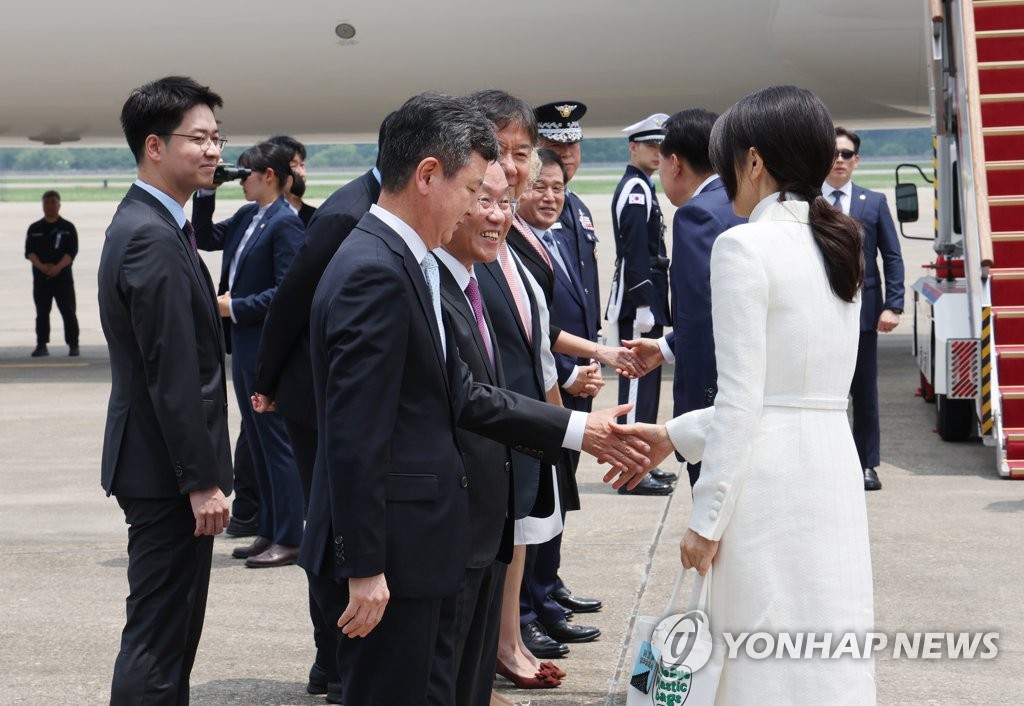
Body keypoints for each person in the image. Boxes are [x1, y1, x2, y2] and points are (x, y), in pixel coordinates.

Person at [300, 92, 647, 705]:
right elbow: (354, 437)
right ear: (428, 176)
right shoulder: (375, 270)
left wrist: (576, 429)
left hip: (430, 549)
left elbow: (456, 390)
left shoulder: (407, 262)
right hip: (397, 561)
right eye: (472, 192)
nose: (478, 209)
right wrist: (365, 568)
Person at [609, 85, 874, 704]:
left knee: (756, 649)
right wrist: (672, 435)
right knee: (822, 636)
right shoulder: (840, 240)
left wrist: (706, 520)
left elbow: (744, 399)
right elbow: (792, 393)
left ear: (753, 162)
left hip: (767, 482)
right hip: (829, 468)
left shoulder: (744, 245)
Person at [97, 75, 232, 706]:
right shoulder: (150, 236)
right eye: (198, 139)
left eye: (216, 137)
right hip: (165, 473)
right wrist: (200, 480)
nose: (213, 151)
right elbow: (172, 373)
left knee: (173, 630)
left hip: (158, 465)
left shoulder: (158, 223)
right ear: (155, 146)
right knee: (158, 634)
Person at [252, 116, 389, 705]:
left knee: (342, 529)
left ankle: (333, 661)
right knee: (331, 533)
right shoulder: (346, 210)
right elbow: (292, 298)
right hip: (317, 396)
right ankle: (331, 662)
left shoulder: (375, 199)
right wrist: (266, 379)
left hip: (339, 390)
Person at [429, 161, 521, 704]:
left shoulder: (473, 280)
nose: (496, 215)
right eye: (482, 199)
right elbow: (468, 399)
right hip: (449, 530)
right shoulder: (427, 285)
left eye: (505, 202)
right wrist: (578, 431)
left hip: (488, 526)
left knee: (471, 682)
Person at [192, 141, 306, 568]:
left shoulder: (286, 224)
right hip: (243, 346)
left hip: (265, 345)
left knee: (277, 443)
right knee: (258, 443)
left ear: (270, 176)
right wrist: (208, 190)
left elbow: (287, 293)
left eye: (246, 174)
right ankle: (271, 530)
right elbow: (203, 236)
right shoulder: (249, 216)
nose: (242, 181)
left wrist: (234, 306)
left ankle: (292, 537)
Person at [625, 108, 746, 487]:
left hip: (718, 410)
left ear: (675, 163)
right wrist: (664, 347)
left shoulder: (698, 215)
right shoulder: (741, 204)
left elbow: (702, 320)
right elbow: (735, 311)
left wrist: (696, 417)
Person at [825, 126, 905, 491]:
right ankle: (824, 465)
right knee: (823, 394)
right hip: (818, 313)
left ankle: (866, 464)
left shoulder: (872, 202)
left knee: (864, 392)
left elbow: (891, 257)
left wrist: (894, 305)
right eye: (833, 153)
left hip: (863, 314)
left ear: (856, 160)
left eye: (845, 154)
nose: (839, 160)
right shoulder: (809, 201)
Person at [606, 113, 674, 496]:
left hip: (644, 298)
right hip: (638, 303)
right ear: (634, 148)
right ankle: (631, 471)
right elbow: (634, 253)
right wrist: (645, 301)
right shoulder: (635, 190)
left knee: (646, 389)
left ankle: (641, 464)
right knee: (634, 391)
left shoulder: (643, 186)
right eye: (650, 146)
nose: (657, 153)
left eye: (661, 148)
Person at [25, 190, 79, 357]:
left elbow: (71, 252)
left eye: (52, 202)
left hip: (63, 279)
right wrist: (41, 266)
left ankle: (73, 345)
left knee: (68, 312)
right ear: (42, 206)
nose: (49, 206)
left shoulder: (68, 228)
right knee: (42, 313)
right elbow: (29, 252)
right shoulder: (34, 228)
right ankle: (41, 345)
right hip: (41, 279)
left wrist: (57, 267)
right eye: (46, 203)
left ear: (59, 205)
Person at [268, 134, 317, 226]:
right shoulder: (256, 217)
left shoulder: (315, 218)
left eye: (302, 165)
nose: (302, 173)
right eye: (293, 166)